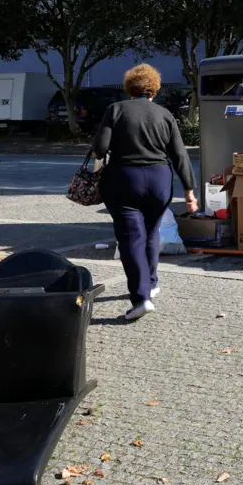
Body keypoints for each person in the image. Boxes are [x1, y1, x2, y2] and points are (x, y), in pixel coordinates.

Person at [92, 64, 198, 321]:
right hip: (159, 179)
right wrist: (190, 192)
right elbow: (180, 155)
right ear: (155, 88)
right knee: (152, 232)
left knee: (130, 238)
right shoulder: (164, 115)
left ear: (129, 88)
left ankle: (141, 299)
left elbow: (100, 147)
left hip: (124, 178)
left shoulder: (115, 110)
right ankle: (150, 282)